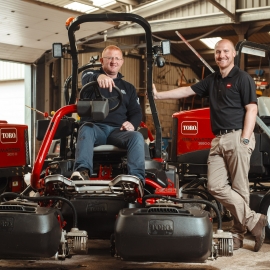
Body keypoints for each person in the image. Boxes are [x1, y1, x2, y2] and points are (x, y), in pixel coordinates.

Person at [152, 39, 268, 252]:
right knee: (215, 186)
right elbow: (186, 91)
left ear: (233, 54)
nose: (221, 55)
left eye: (225, 51)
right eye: (217, 52)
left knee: (240, 189)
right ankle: (254, 220)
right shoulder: (212, 80)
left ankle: (237, 236)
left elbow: (251, 109)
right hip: (218, 140)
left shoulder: (243, 78)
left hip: (237, 137)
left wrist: (244, 138)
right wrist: (159, 95)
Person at [71, 45, 145, 185]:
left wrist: (132, 124)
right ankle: (82, 171)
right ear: (101, 60)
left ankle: (136, 178)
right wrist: (99, 76)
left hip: (118, 132)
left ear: (122, 62)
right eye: (109, 58)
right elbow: (85, 76)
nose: (113, 61)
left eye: (117, 58)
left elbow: (136, 112)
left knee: (137, 136)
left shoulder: (128, 88)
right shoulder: (91, 78)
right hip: (95, 129)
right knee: (85, 128)